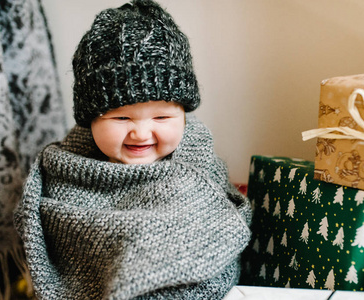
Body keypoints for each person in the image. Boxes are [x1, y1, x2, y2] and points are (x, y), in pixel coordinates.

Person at [13, 0, 251, 299]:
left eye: (162, 117)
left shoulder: (198, 169)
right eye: (120, 117)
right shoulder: (63, 176)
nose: (140, 132)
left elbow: (220, 231)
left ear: (183, 116)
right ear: (91, 120)